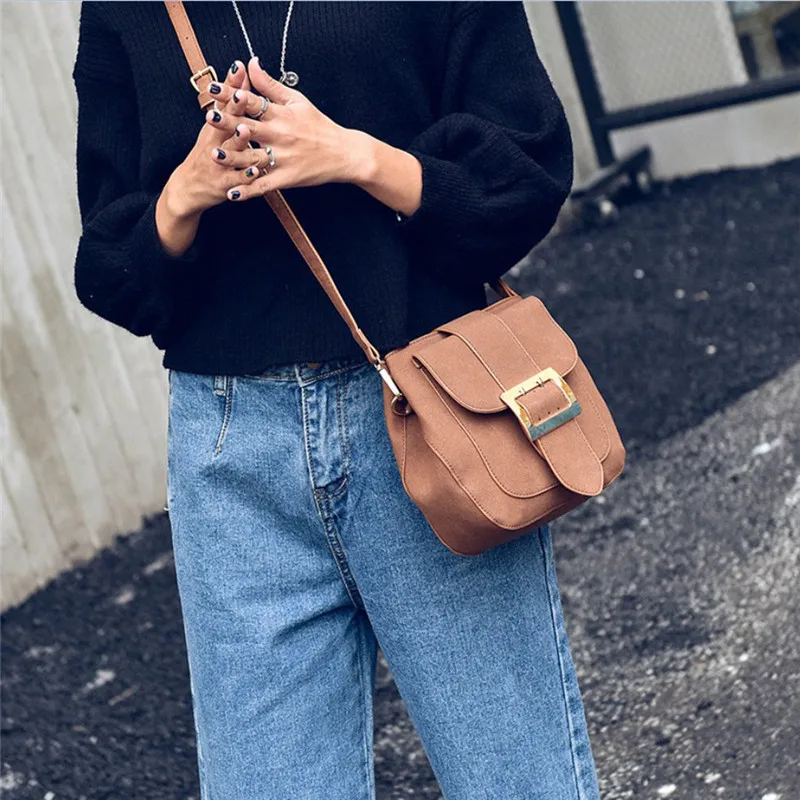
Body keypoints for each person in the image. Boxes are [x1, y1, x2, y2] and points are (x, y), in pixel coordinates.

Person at [72, 2, 598, 798]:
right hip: (231, 454)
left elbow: (524, 176)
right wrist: (185, 192)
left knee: (516, 778)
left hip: (431, 415)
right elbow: (113, 265)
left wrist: (352, 155)